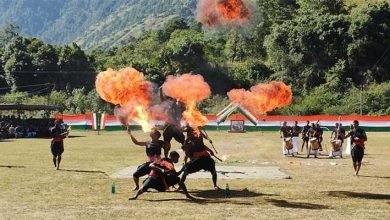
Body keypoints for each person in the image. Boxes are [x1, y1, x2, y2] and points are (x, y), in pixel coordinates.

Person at [129, 151, 193, 200]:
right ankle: (136, 196)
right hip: (154, 179)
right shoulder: (165, 161)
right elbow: (151, 165)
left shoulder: (169, 163)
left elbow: (176, 174)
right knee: (145, 185)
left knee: (177, 179)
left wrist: (182, 169)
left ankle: (187, 195)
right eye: (177, 158)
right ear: (172, 157)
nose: (177, 160)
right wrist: (161, 170)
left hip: (161, 183)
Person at [160, 87, 186, 156]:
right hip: (169, 126)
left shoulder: (180, 106)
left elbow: (183, 103)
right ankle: (166, 157)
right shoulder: (169, 105)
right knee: (166, 143)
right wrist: (160, 91)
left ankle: (187, 155)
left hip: (176, 127)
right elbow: (163, 101)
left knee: (183, 141)